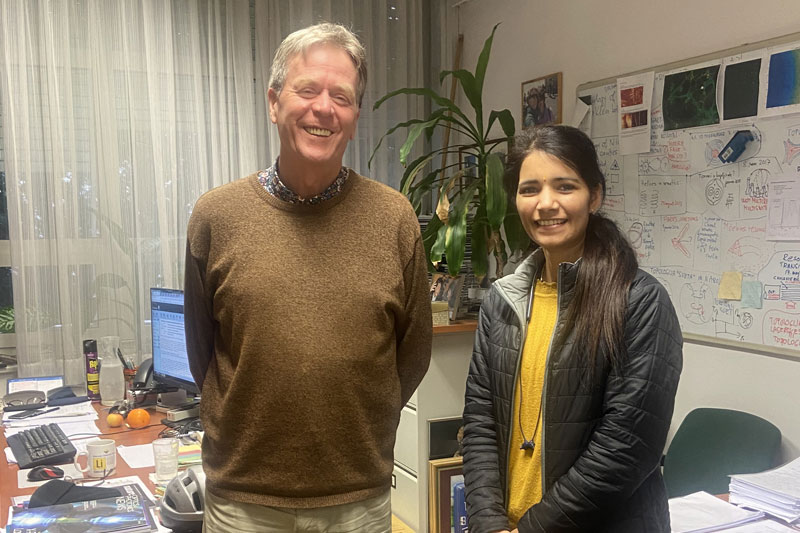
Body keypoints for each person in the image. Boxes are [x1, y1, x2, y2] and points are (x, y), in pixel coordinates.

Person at [184, 22, 432, 532]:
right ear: (274, 103)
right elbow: (201, 349)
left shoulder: (394, 218)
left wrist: (357, 428)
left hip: (357, 502)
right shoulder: (216, 216)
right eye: (307, 90)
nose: (324, 108)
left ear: (355, 117)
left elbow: (414, 353)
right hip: (243, 503)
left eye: (342, 96)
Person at [462, 125, 683, 532]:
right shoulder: (502, 302)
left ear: (594, 196)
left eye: (565, 187)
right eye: (530, 190)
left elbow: (625, 448)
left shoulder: (638, 300)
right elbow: (480, 423)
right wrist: (489, 523)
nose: (546, 204)